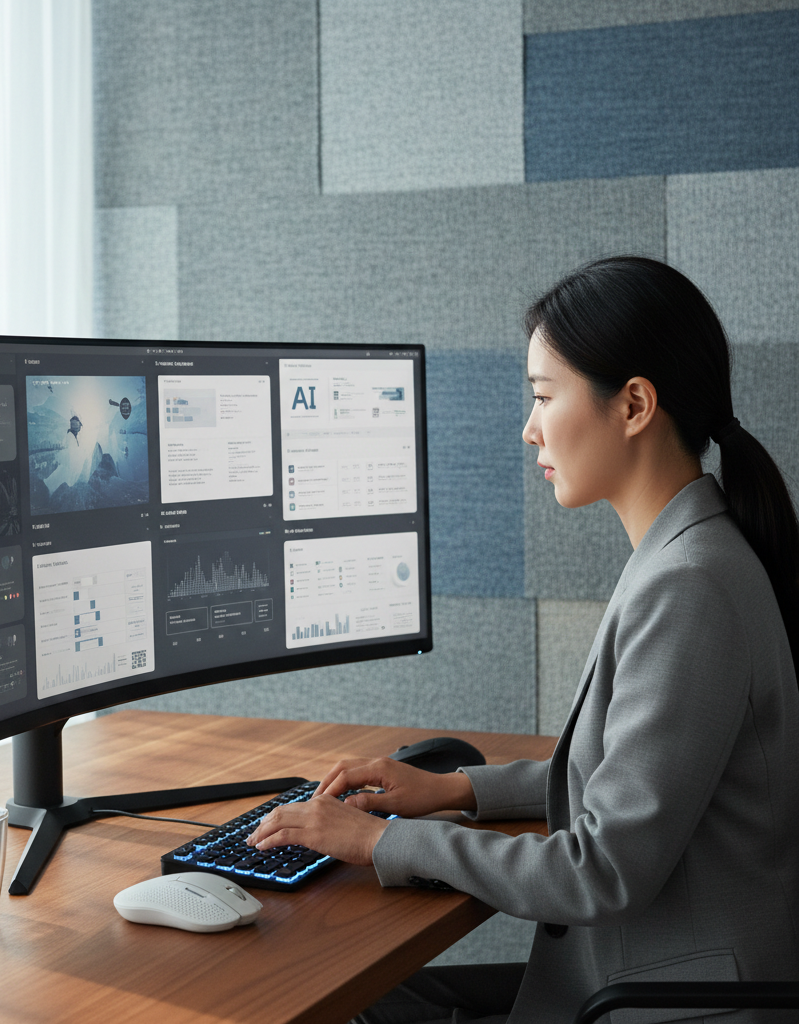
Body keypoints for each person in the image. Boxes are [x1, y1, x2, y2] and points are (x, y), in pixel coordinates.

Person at [247, 256, 799, 1024]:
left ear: (635, 404)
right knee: (367, 998)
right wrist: (456, 789)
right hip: (637, 971)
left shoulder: (690, 586)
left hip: (661, 999)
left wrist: (376, 843)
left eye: (544, 396)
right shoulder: (688, 555)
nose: (528, 427)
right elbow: (630, 775)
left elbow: (600, 872)